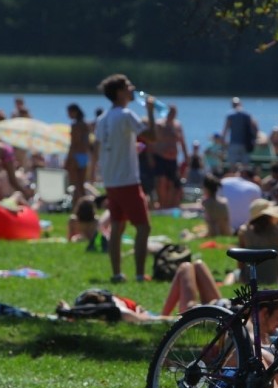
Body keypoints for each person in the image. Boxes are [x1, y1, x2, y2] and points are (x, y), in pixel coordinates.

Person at [94, 73, 157, 283]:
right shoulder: (126, 114)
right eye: (128, 86)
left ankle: (117, 273)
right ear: (120, 92)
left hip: (111, 180)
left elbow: (108, 147)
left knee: (117, 226)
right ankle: (139, 274)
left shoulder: (102, 119)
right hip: (128, 181)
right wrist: (150, 111)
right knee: (143, 227)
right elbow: (152, 136)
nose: (132, 88)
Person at [237, 198, 278, 285]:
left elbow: (240, 263)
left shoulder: (244, 232)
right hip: (273, 278)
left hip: (249, 279)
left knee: (232, 274)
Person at [149, 104, 187, 209]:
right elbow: (151, 142)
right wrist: (151, 157)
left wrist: (186, 156)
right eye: (170, 112)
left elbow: (182, 142)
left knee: (172, 183)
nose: (172, 114)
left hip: (173, 159)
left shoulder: (177, 125)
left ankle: (168, 205)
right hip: (161, 157)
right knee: (161, 181)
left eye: (174, 112)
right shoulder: (159, 124)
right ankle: (162, 203)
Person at [65, 103, 91, 205]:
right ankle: (86, 206)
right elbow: (87, 143)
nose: (68, 115)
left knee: (75, 184)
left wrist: (68, 158)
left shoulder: (75, 125)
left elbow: (74, 143)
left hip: (75, 155)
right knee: (81, 184)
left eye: (69, 112)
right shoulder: (85, 125)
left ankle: (76, 206)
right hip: (84, 156)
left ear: (74, 112)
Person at [221, 97, 257, 167]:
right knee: (245, 166)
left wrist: (223, 144)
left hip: (234, 144)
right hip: (245, 144)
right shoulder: (247, 115)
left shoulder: (230, 115)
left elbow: (225, 131)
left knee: (232, 166)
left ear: (232, 105)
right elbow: (255, 127)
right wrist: (254, 140)